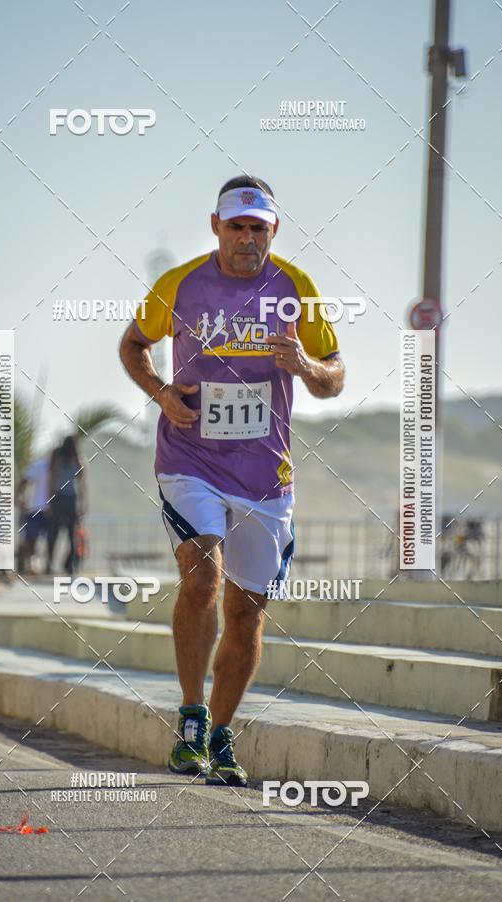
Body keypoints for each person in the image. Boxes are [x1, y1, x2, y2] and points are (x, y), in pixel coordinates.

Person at [119, 175, 345, 786]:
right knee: (202, 574)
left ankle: (220, 734)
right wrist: (162, 393)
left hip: (265, 475)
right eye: (237, 226)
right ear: (216, 226)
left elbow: (335, 375)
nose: (248, 238)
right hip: (189, 458)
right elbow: (134, 344)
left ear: (275, 230)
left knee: (247, 614)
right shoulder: (181, 284)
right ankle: (191, 717)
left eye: (259, 227)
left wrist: (304, 365)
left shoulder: (297, 289)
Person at [46, 436, 86, 575]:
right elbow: (81, 485)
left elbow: (51, 481)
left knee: (54, 533)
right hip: (71, 499)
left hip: (59, 498)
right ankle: (71, 566)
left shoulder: (57, 460)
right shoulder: (77, 461)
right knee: (70, 534)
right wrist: (82, 504)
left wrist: (50, 502)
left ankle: (50, 564)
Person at [17, 456, 50, 574]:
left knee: (50, 539)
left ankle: (47, 565)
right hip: (34, 508)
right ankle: (32, 563)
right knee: (31, 538)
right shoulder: (39, 466)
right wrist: (19, 498)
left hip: (51, 509)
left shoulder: (60, 465)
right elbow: (22, 482)